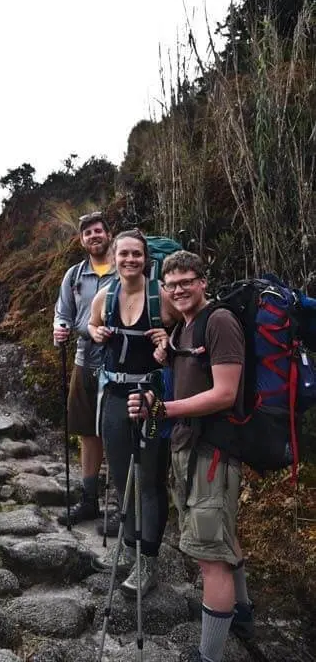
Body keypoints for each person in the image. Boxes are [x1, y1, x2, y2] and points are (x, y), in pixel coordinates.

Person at [128, 250, 254, 662]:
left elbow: (224, 394)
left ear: (203, 281)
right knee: (219, 536)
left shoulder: (218, 322)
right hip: (190, 447)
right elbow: (184, 390)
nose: (179, 289)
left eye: (187, 281)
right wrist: (154, 399)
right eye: (172, 284)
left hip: (213, 450)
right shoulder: (183, 329)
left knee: (208, 557)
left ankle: (209, 655)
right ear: (163, 289)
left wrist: (165, 410)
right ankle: (242, 615)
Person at [88, 228, 178, 598]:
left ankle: (148, 562)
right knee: (121, 473)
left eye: (136, 255)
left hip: (152, 399)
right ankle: (129, 549)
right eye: (123, 254)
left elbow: (190, 333)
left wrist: (167, 344)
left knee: (151, 479)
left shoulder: (162, 298)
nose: (130, 260)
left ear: (147, 259)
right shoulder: (105, 297)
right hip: (113, 395)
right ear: (114, 256)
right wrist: (94, 332)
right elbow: (91, 325)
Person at [53, 211, 116, 528]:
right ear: (82, 240)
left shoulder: (125, 270)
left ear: (109, 235)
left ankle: (122, 507)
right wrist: (60, 328)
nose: (94, 236)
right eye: (88, 233)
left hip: (120, 361)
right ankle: (89, 501)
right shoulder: (74, 275)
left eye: (98, 231)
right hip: (83, 359)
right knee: (87, 433)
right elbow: (62, 312)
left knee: (118, 434)